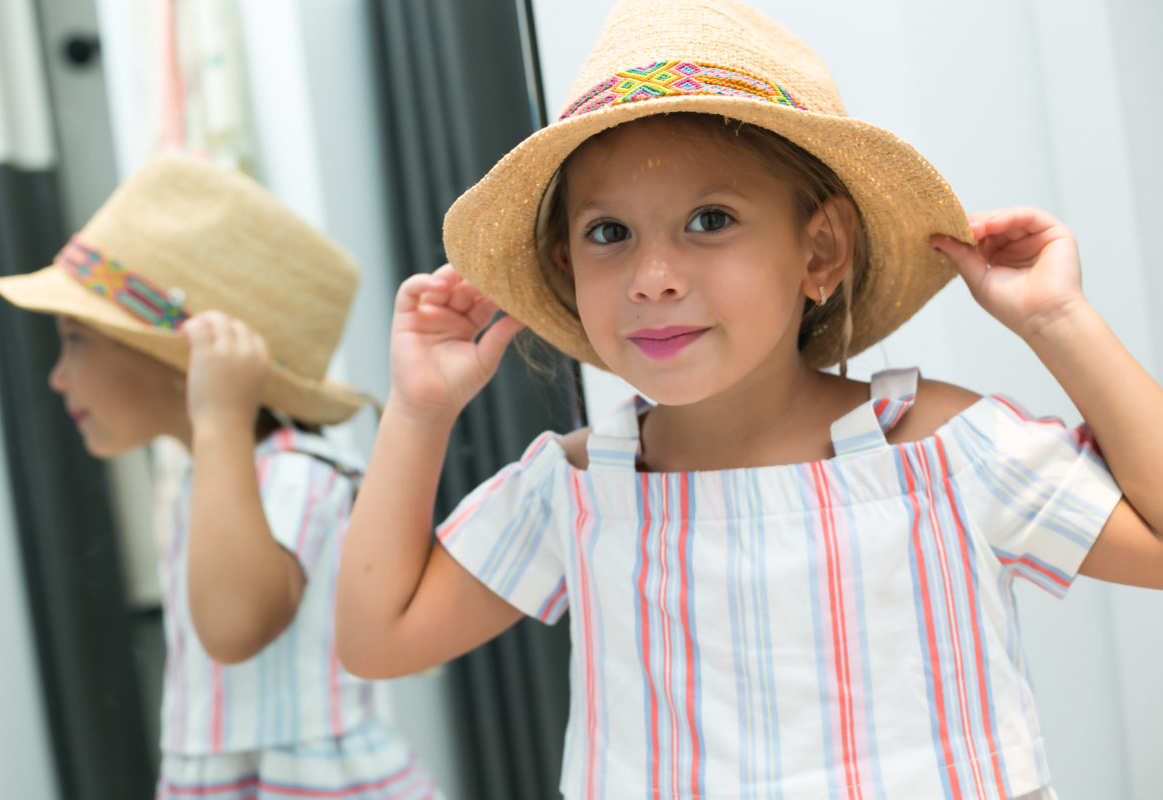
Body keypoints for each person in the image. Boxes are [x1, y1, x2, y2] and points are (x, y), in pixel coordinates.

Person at [334, 0, 1163, 797]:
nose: (652, 279)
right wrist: (421, 412)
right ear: (566, 269)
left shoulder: (939, 455)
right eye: (609, 234)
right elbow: (378, 641)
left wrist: (1059, 320)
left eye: (710, 219)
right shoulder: (581, 490)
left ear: (822, 249)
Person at [0, 155, 441, 799]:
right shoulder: (206, 479)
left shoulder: (295, 474)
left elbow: (233, 627)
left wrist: (221, 419)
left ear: (186, 359)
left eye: (76, 339)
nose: (58, 375)